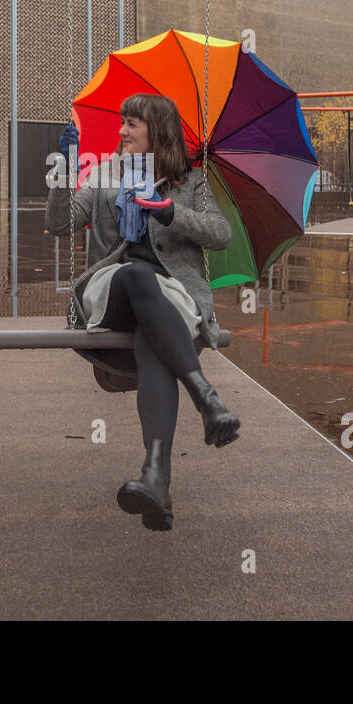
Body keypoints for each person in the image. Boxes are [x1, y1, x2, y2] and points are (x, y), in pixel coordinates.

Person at [47, 93, 238, 531]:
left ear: (158, 131)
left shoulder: (189, 182)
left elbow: (220, 234)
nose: (122, 131)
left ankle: (156, 481)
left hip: (170, 300)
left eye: (132, 123)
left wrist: (170, 211)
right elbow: (59, 226)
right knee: (135, 274)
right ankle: (204, 396)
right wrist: (64, 172)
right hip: (111, 290)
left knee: (155, 345)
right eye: (122, 122)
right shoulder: (104, 175)